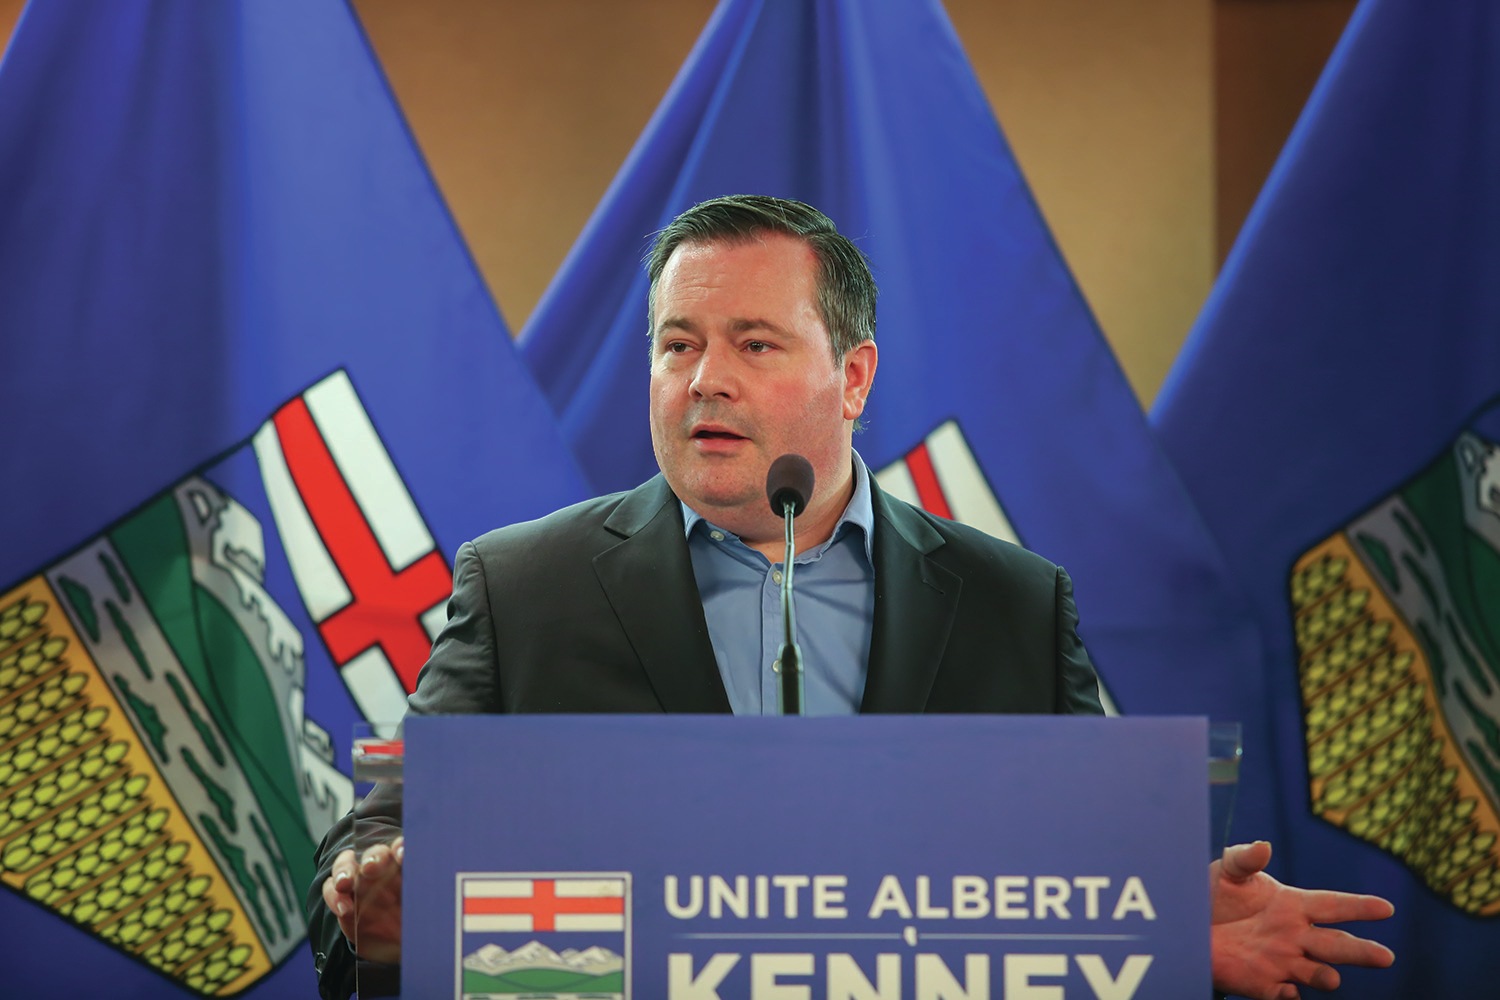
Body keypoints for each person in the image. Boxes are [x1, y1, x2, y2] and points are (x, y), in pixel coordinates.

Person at [307, 195, 1394, 1000]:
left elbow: (1073, 864)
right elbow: (390, 832)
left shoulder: (1009, 601)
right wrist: (378, 903)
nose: (703, 380)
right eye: (676, 345)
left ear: (856, 378)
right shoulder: (524, 585)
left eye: (754, 344)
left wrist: (1157, 906)